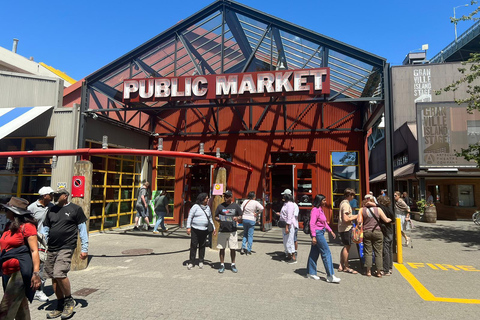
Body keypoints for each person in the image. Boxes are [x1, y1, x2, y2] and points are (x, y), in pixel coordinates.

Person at [43, 188, 88, 319]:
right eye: (54, 195)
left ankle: (69, 301)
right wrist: (43, 243)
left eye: (58, 195)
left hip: (67, 246)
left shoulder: (75, 209)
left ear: (66, 196)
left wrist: (84, 248)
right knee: (53, 276)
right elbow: (46, 228)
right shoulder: (51, 210)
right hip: (52, 247)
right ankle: (60, 304)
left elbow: (82, 229)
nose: (55, 197)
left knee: (59, 273)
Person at [0, 197, 41, 319]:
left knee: (5, 308)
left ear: (14, 212)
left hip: (19, 273)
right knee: (21, 308)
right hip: (6, 272)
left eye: (7, 209)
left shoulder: (27, 227)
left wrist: (36, 273)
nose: (4, 211)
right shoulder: (9, 225)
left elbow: (34, 251)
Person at [27, 186, 55, 302]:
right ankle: (34, 289)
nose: (53, 196)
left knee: (43, 266)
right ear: (45, 196)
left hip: (47, 241)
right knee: (35, 265)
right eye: (51, 194)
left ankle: (39, 290)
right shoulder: (32, 208)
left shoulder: (52, 207)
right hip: (35, 240)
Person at [306, 194, 340, 283]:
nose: (325, 202)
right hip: (317, 234)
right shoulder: (315, 210)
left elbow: (324, 223)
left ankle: (311, 272)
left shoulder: (320, 210)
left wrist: (331, 231)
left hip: (320, 232)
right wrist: (313, 236)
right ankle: (330, 275)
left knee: (314, 252)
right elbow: (312, 224)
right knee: (326, 252)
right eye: (324, 200)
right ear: (320, 201)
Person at [360, 195, 391, 277]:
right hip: (377, 232)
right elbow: (386, 220)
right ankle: (378, 272)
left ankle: (368, 271)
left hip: (367, 232)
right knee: (378, 252)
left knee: (368, 252)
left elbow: (359, 222)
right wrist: (391, 220)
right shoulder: (378, 209)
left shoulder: (362, 210)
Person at [186, 193, 215, 270]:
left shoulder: (208, 208)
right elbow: (190, 217)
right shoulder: (195, 207)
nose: (208, 200)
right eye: (206, 198)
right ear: (202, 199)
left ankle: (201, 261)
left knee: (202, 245)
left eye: (208, 198)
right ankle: (191, 262)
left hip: (204, 230)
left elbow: (210, 218)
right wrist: (188, 227)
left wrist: (214, 228)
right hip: (195, 229)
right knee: (193, 245)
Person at [215, 191, 242, 273]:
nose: (226, 198)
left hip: (232, 231)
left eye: (227, 196)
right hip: (222, 231)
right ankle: (222, 264)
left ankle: (233, 264)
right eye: (225, 196)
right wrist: (218, 219)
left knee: (233, 248)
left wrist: (237, 218)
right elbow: (215, 216)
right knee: (221, 248)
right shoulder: (220, 206)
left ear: (231, 197)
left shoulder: (236, 206)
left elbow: (241, 215)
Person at [338, 188, 358, 274]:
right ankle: (346, 267)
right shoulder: (346, 204)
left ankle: (341, 265)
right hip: (346, 228)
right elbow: (346, 219)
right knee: (347, 247)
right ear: (349, 195)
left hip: (342, 228)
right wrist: (356, 216)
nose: (353, 197)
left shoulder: (343, 203)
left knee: (345, 247)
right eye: (352, 195)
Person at [376, 195, 395, 276]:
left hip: (385, 231)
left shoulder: (381, 208)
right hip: (390, 230)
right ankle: (390, 267)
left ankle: (386, 269)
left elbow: (376, 205)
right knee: (389, 250)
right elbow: (393, 221)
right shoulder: (390, 210)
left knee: (385, 250)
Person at [279, 190, 297, 264]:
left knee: (290, 240)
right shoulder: (285, 204)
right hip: (284, 224)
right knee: (285, 241)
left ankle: (293, 257)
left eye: (284, 195)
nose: (283, 196)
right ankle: (288, 256)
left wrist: (287, 227)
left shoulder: (290, 204)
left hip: (288, 225)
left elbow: (289, 216)